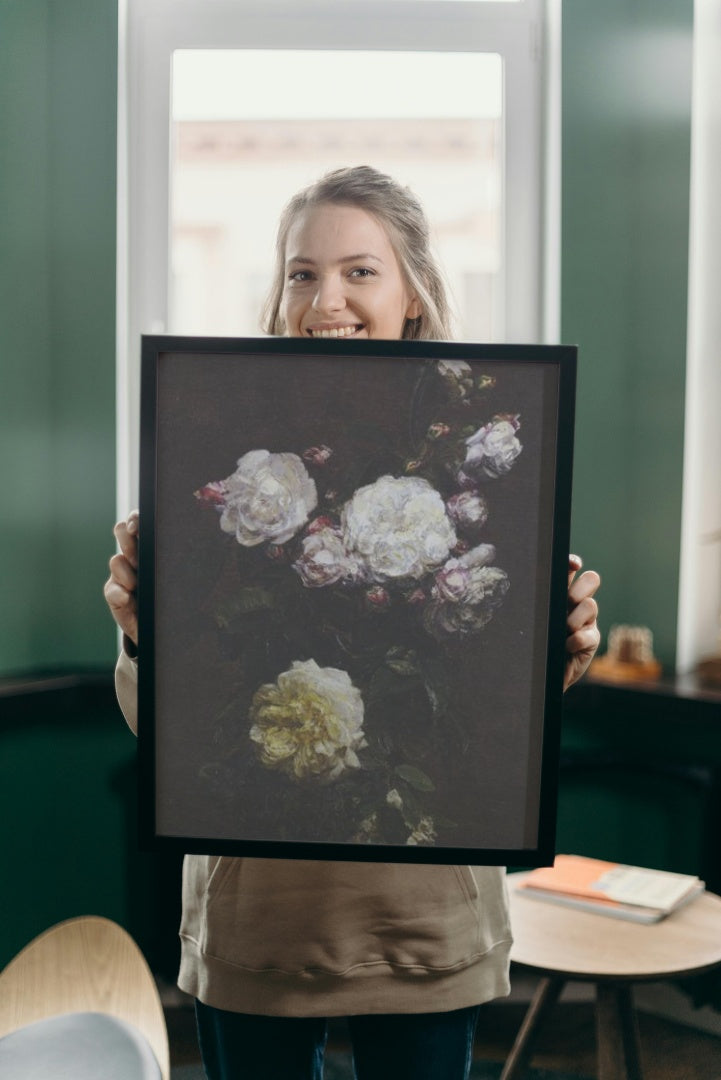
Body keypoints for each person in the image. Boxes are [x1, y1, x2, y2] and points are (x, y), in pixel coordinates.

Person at [105, 166, 601, 1080]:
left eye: (358, 271)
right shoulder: (207, 446)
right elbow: (173, 729)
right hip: (258, 919)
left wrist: (554, 651)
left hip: (423, 917)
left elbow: (485, 715)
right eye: (301, 272)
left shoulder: (485, 441)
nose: (324, 298)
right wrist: (143, 635)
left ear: (412, 291)